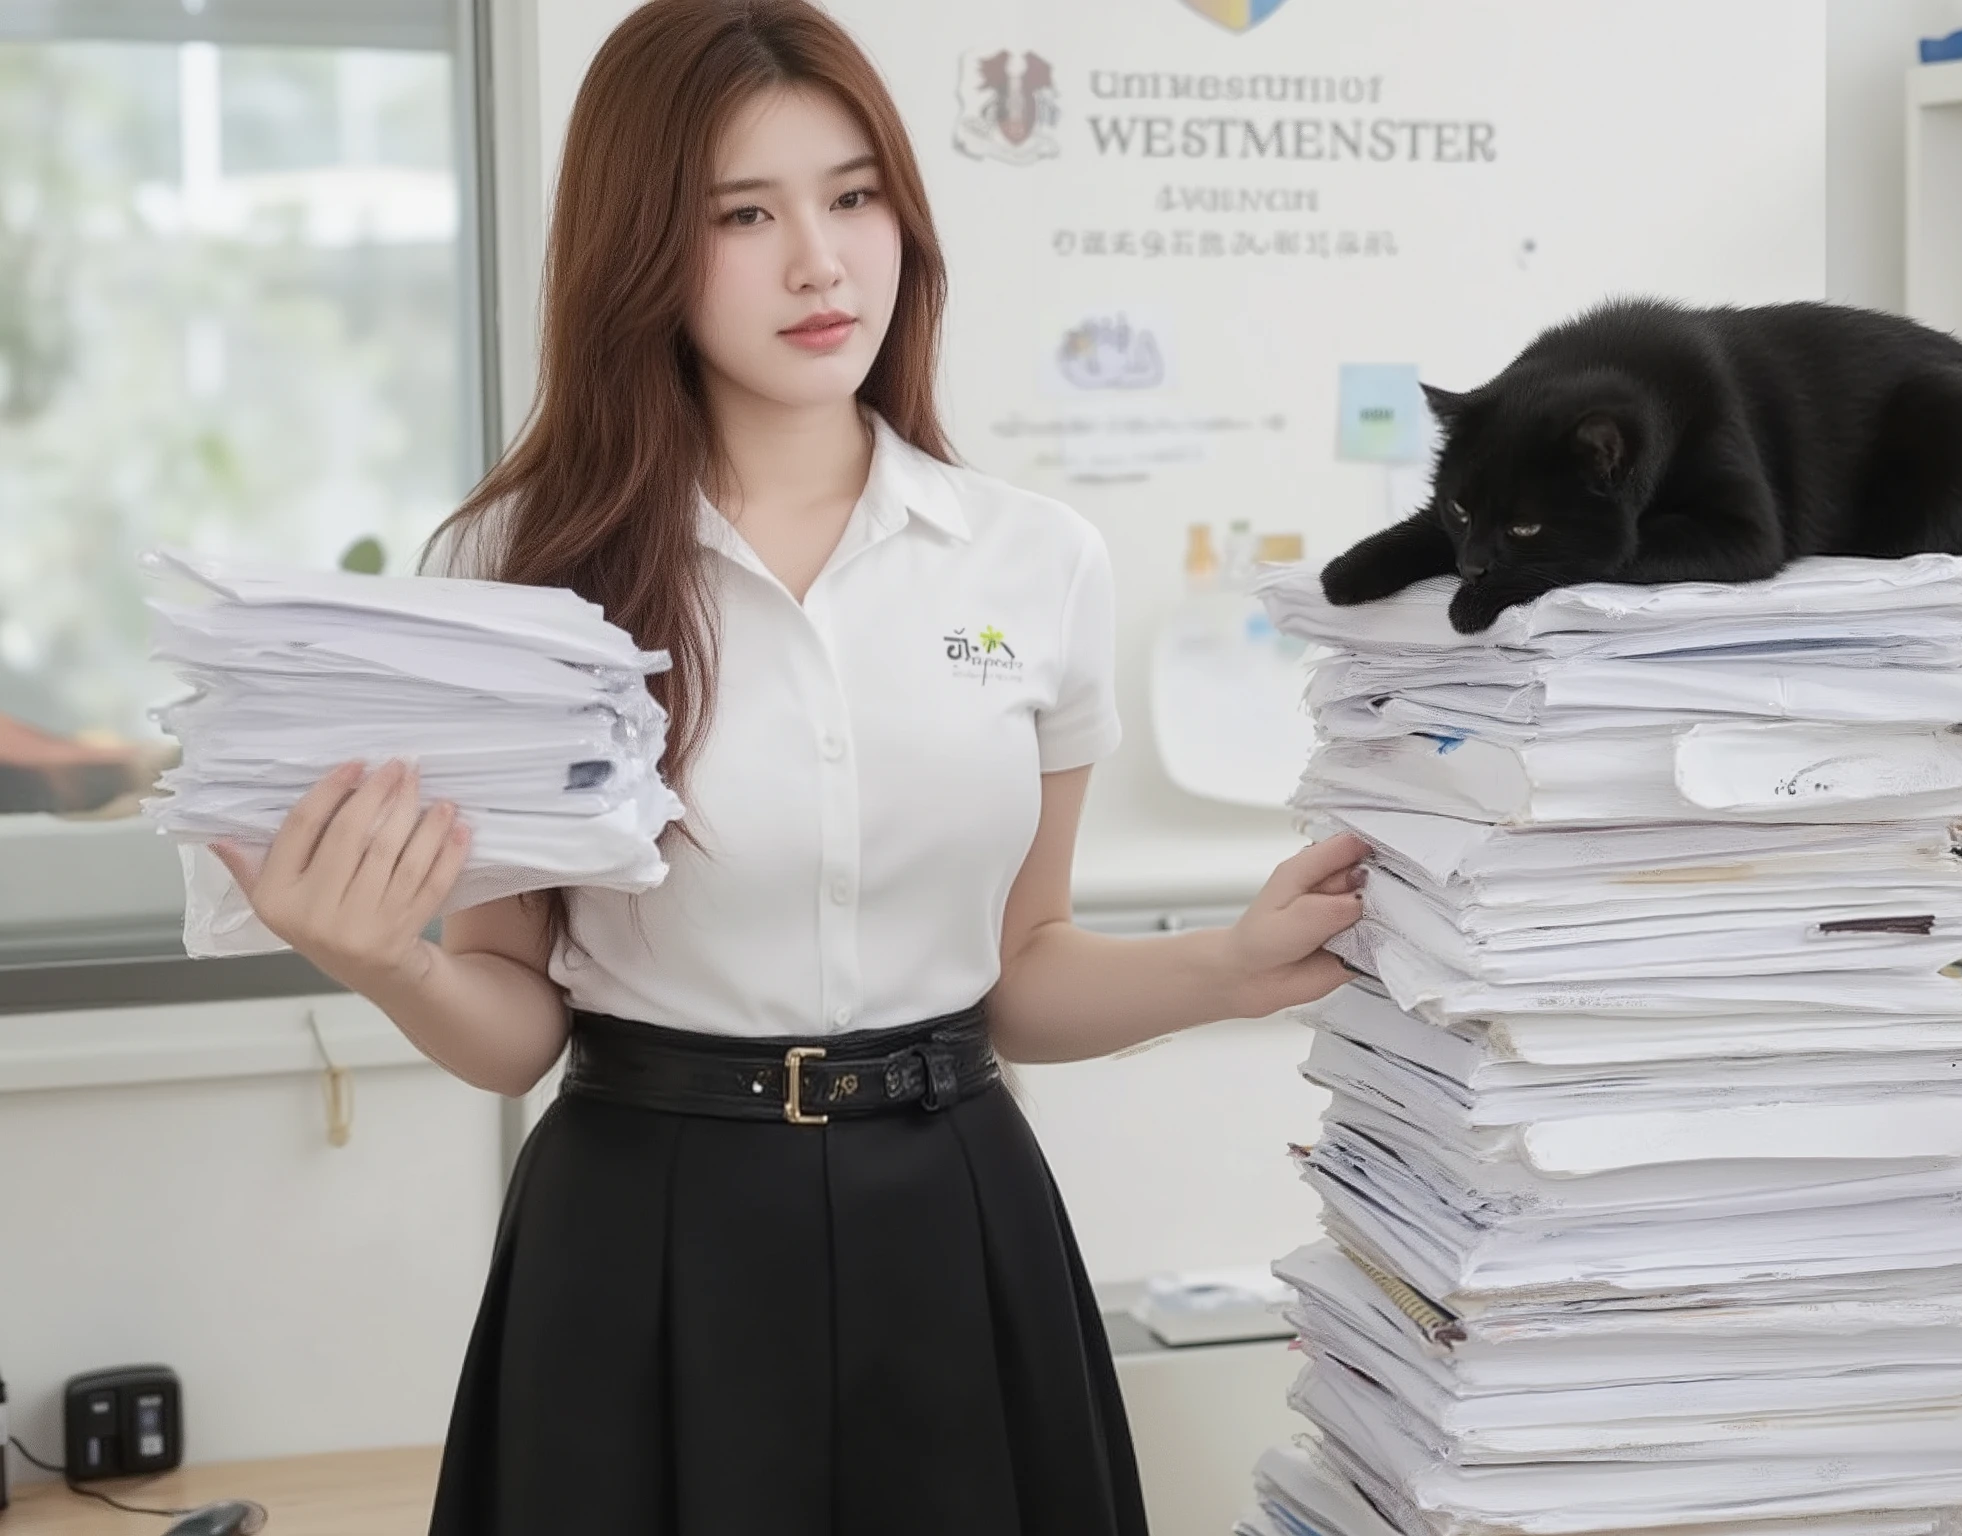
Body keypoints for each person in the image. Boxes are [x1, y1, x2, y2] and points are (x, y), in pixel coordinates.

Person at [212, 2, 1367, 1531]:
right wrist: (388, 964)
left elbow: (1021, 965)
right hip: (639, 1235)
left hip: (957, 1215)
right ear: (639, 250)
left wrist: (1227, 964)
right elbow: (511, 1023)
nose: (821, 262)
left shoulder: (1035, 559)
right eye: (743, 215)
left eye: (854, 194)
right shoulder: (516, 568)